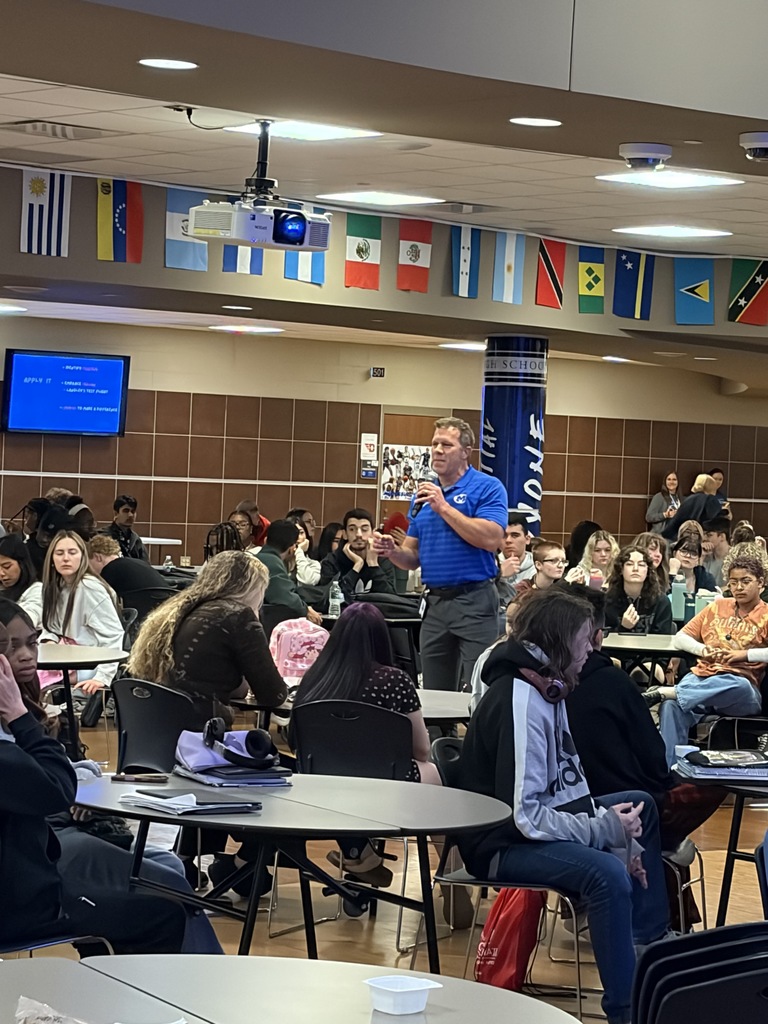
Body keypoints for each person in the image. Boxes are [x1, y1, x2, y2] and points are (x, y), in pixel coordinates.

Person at [457, 587, 669, 1024]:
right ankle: (627, 1012)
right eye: (583, 642)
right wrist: (602, 834)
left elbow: (568, 790)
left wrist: (621, 841)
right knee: (605, 874)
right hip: (499, 844)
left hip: (525, 828)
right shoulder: (522, 699)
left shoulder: (546, 686)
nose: (588, 652)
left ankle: (644, 946)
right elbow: (524, 815)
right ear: (557, 643)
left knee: (638, 805)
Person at [0, 597, 222, 954]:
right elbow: (50, 789)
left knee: (165, 865)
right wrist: (19, 716)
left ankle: (192, 987)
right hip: (31, 867)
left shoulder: (21, 711)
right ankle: (196, 994)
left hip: (39, 844)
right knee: (165, 894)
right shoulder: (10, 723)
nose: (26, 655)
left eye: (32, 641)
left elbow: (42, 781)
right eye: (11, 647)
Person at [564, 585, 725, 927]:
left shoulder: (538, 684)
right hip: (627, 805)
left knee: (649, 817)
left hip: (569, 804)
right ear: (598, 635)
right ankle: (659, 925)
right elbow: (653, 756)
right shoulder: (614, 683)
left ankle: (608, 898)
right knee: (712, 783)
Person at [372, 417, 507, 692]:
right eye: (434, 444)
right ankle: (437, 736)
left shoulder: (487, 487)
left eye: (446, 444)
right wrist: (392, 551)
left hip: (475, 601)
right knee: (434, 692)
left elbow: (492, 539)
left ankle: (476, 736)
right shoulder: (423, 496)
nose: (438, 450)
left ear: (466, 452)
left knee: (481, 687)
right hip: (435, 603)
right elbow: (412, 555)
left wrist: (443, 506)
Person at [129, 550, 287, 722]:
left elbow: (206, 677)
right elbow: (274, 695)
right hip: (200, 732)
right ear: (251, 588)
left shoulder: (178, 610)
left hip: (156, 724)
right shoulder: (238, 616)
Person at [294, 602, 440, 786]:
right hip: (386, 776)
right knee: (431, 770)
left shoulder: (314, 677)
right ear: (382, 638)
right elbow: (422, 750)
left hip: (321, 775)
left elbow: (295, 740)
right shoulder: (395, 681)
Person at [645, 554, 768, 766]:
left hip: (741, 687)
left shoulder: (766, 613)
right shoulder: (717, 607)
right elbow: (681, 637)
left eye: (746, 581)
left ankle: (670, 691)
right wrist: (703, 650)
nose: (739, 587)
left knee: (735, 685)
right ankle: (671, 772)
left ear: (761, 583)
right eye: (733, 582)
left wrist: (744, 655)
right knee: (672, 707)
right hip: (702, 678)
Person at [40, 530, 125, 695]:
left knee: (23, 681)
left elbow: (113, 635)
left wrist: (102, 677)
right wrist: (49, 642)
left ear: (83, 557)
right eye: (59, 553)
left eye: (72, 552)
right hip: (64, 659)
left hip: (88, 663)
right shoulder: (54, 588)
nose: (66, 558)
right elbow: (50, 628)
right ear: (51, 559)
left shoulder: (90, 588)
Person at [88, 535, 175, 622]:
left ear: (97, 557)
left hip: (142, 618)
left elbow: (99, 602)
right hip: (165, 609)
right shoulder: (139, 563)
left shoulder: (109, 570)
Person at [319, 508, 396, 602]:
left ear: (372, 533)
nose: (359, 534)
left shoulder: (383, 560)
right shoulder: (331, 561)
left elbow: (391, 600)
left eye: (364, 529)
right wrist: (357, 566)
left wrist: (373, 564)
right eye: (352, 529)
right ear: (345, 534)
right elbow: (327, 601)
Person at [256, 520, 323, 625]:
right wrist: (306, 610)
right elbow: (285, 597)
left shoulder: (259, 557)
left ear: (266, 540)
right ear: (292, 548)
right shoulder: (271, 562)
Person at [604, 546, 674, 635]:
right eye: (629, 564)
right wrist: (624, 627)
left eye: (641, 565)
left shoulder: (661, 602)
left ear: (648, 571)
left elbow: (664, 640)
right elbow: (602, 639)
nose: (635, 569)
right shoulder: (607, 601)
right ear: (621, 569)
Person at [0, 533, 43, 627]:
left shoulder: (36, 590)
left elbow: (28, 620)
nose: (1, 573)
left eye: (6, 566)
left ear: (22, 564)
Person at [662, 475, 721, 540]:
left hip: (679, 537)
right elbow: (714, 522)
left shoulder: (688, 499)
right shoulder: (711, 500)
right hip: (700, 538)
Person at [496, 513, 536, 605]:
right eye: (504, 536)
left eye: (515, 535)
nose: (508, 540)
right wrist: (499, 575)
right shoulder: (489, 566)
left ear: (527, 539)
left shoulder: (539, 566)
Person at [104, 495, 148, 560]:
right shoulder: (104, 537)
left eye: (133, 511)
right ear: (116, 513)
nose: (130, 515)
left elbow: (145, 565)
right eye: (126, 511)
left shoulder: (135, 540)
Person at [286, 515, 322, 586]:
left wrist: (299, 551)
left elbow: (307, 581)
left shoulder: (313, 565)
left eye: (301, 533)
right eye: (293, 533)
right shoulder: (278, 561)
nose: (297, 537)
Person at [702, 516, 731, 589]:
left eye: (709, 535)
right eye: (704, 535)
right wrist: (701, 556)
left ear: (722, 537)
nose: (704, 539)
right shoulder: (706, 556)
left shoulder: (735, 557)